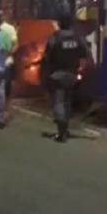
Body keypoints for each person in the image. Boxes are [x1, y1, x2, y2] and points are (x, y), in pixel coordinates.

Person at [41, 13, 91, 142]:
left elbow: (47, 58)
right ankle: (65, 129)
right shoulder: (77, 38)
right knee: (67, 101)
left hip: (56, 74)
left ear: (59, 24)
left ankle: (61, 132)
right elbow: (85, 53)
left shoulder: (55, 38)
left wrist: (45, 76)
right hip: (72, 74)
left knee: (58, 102)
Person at [0, 11, 18, 102]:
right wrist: (10, 53)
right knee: (7, 85)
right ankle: (5, 108)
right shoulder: (10, 29)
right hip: (8, 60)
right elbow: (15, 45)